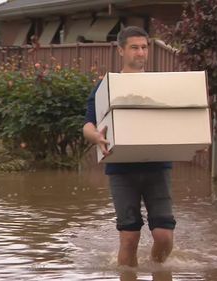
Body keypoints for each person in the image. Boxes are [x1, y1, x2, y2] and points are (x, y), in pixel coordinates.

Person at [83, 26, 176, 267]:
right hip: (121, 169)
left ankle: (158, 269)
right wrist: (95, 137)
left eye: (144, 47)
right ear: (121, 50)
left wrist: (193, 143)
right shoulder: (106, 87)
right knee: (129, 237)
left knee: (164, 236)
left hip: (158, 166)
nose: (141, 52)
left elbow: (180, 121)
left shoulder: (162, 85)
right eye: (134, 47)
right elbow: (88, 125)